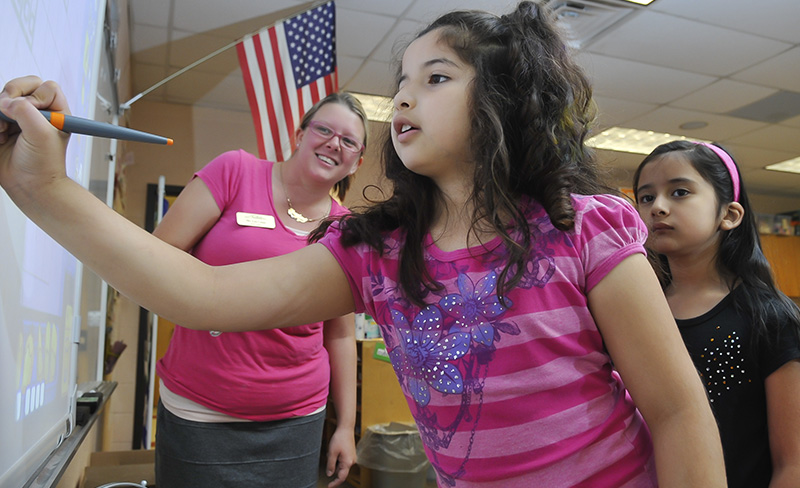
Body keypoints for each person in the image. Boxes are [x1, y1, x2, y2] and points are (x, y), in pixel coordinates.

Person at [0, 2, 727, 486]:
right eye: (401, 81)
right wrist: (43, 188)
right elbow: (198, 294)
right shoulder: (369, 252)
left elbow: (676, 410)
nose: (404, 97)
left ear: (506, 100)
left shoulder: (582, 228)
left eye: (435, 78)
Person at [150, 93, 367, 488]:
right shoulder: (236, 171)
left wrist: (346, 427)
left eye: (349, 141)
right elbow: (158, 257)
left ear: (358, 160)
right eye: (324, 129)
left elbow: (340, 333)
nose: (335, 143)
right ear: (300, 134)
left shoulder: (347, 231)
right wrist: (209, 303)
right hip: (200, 410)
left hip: (296, 420)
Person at [632, 140, 800, 488]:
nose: (658, 207)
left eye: (679, 192)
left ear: (729, 214)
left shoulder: (771, 317)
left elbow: (793, 463)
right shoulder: (634, 310)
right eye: (646, 197)